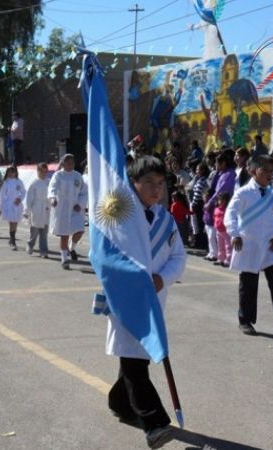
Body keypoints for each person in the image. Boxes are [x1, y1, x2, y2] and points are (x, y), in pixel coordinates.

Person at [105, 156, 187, 449]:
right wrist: (131, 279)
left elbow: (179, 256)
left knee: (135, 356)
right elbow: (106, 257)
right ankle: (155, 424)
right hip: (126, 300)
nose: (156, 189)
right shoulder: (120, 216)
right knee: (134, 361)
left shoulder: (166, 219)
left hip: (155, 299)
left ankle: (119, 401)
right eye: (149, 183)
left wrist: (161, 279)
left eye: (161, 183)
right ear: (133, 184)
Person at [225, 155, 273, 336]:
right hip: (250, 244)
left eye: (272, 171)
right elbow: (230, 215)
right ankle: (245, 320)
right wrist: (235, 234)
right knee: (248, 283)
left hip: (270, 246)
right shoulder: (243, 193)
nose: (270, 175)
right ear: (253, 171)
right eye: (265, 171)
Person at [48, 154, 88, 270]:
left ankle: (72, 247)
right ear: (63, 163)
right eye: (68, 163)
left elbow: (84, 192)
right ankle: (64, 259)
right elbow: (52, 188)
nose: (71, 165)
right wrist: (53, 198)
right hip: (63, 208)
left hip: (75, 208)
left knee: (79, 230)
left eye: (72, 163)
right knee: (64, 235)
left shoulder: (78, 176)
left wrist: (80, 204)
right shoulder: (58, 175)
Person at [24, 163, 50, 258]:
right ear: (38, 171)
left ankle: (43, 251)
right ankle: (30, 244)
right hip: (36, 208)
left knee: (44, 232)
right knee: (34, 231)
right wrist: (27, 211)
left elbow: (52, 195)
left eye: (45, 171)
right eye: (41, 171)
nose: (43, 173)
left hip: (46, 208)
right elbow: (29, 198)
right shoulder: (34, 183)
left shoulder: (48, 182)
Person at [0, 166, 26, 251]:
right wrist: (0, 207)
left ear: (16, 172)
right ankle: (13, 241)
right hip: (9, 204)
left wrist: (20, 198)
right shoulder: (6, 182)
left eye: (12, 172)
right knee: (11, 222)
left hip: (17, 204)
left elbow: (23, 191)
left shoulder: (19, 181)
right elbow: (1, 195)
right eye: (9, 172)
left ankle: (11, 238)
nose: (11, 174)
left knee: (15, 222)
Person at [213, 191, 232, 267]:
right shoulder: (216, 209)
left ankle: (229, 260)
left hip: (226, 230)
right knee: (220, 245)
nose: (220, 201)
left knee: (228, 246)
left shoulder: (227, 210)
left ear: (226, 201)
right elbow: (214, 218)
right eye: (219, 200)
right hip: (219, 230)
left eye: (222, 200)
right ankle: (221, 258)